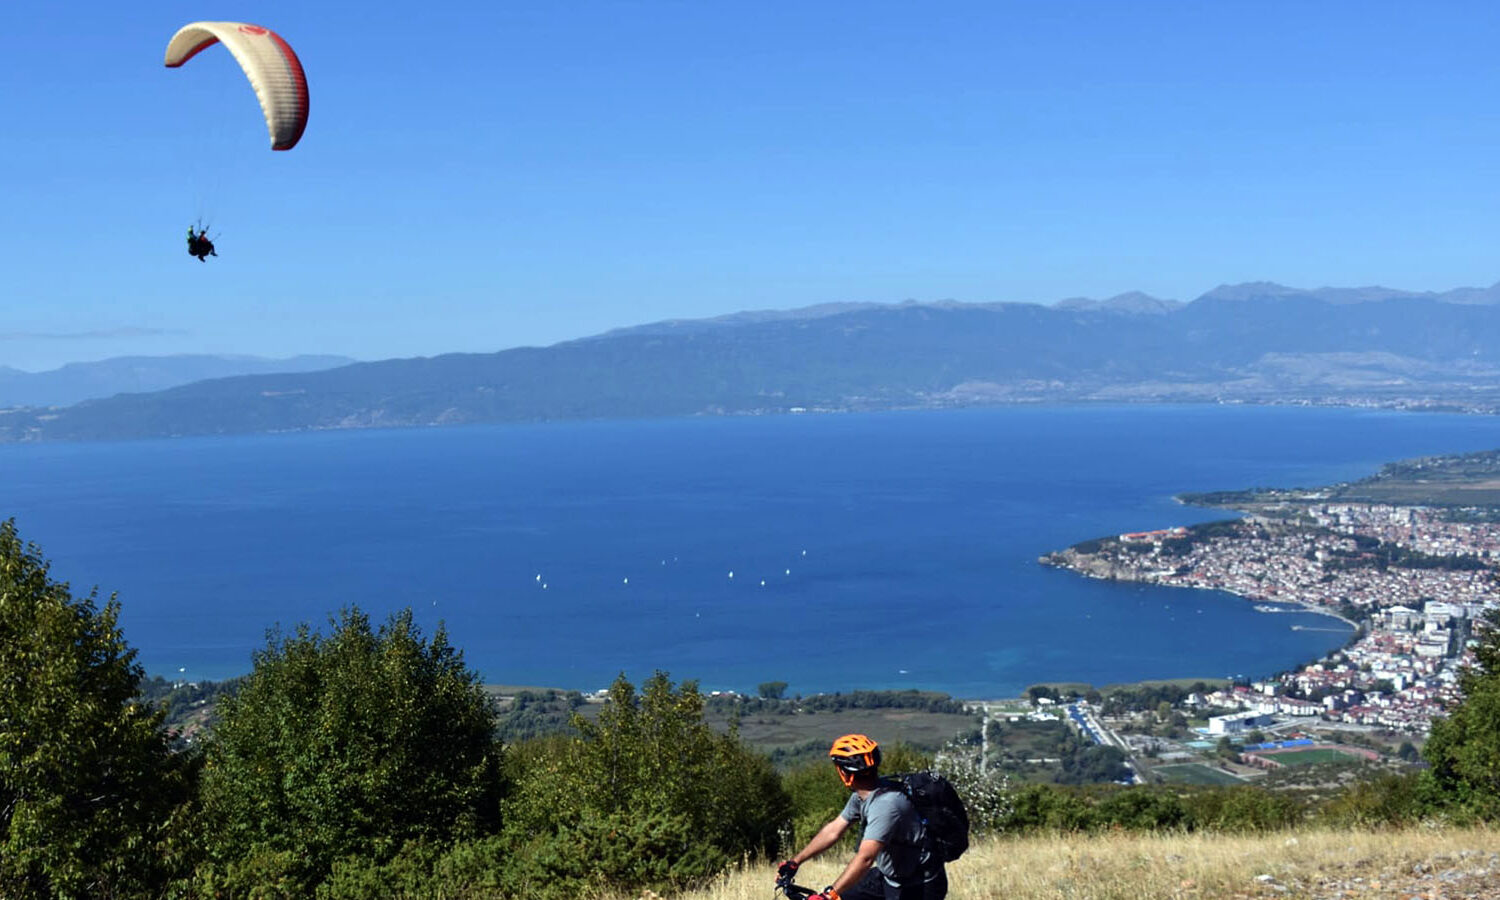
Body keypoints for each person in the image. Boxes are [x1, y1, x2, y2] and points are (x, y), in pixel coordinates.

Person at [776, 734, 947, 900]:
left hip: (918, 887)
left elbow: (865, 858)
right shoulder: (864, 794)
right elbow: (834, 830)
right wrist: (795, 862)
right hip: (890, 877)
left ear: (845, 774)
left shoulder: (886, 805)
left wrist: (830, 896)